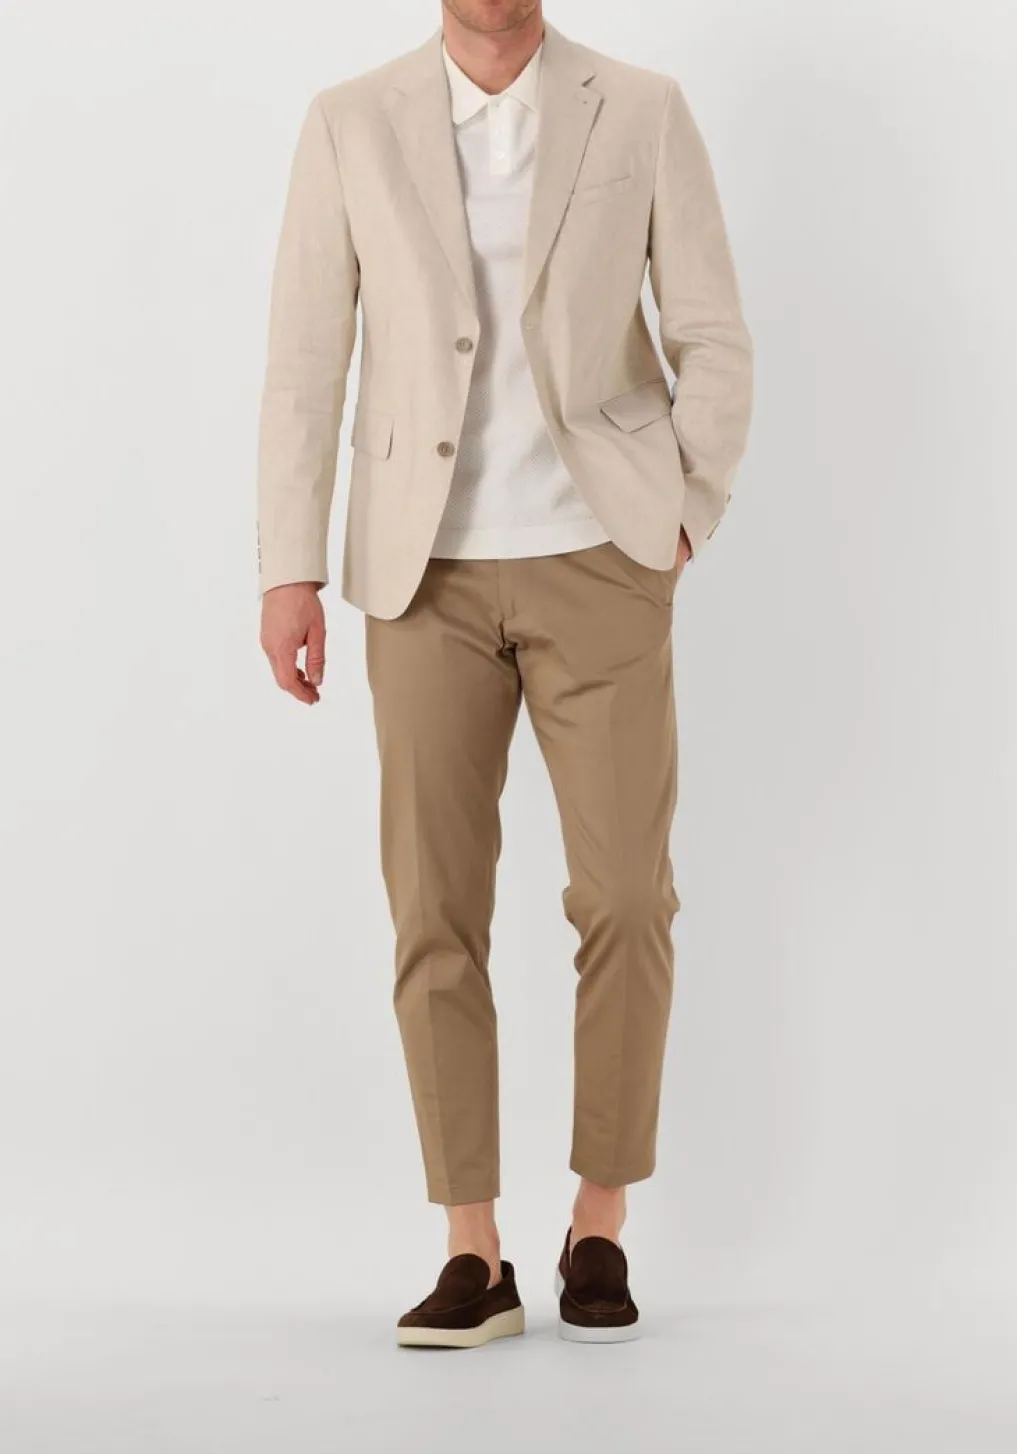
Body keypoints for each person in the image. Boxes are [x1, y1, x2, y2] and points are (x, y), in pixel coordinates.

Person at [256, 0, 752, 1348]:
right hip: (423, 577)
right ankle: (471, 1247)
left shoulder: (639, 109)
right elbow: (307, 362)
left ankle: (600, 1218)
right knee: (434, 909)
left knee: (629, 896)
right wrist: (289, 567)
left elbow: (713, 332)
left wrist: (685, 507)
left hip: (603, 558)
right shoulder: (349, 123)